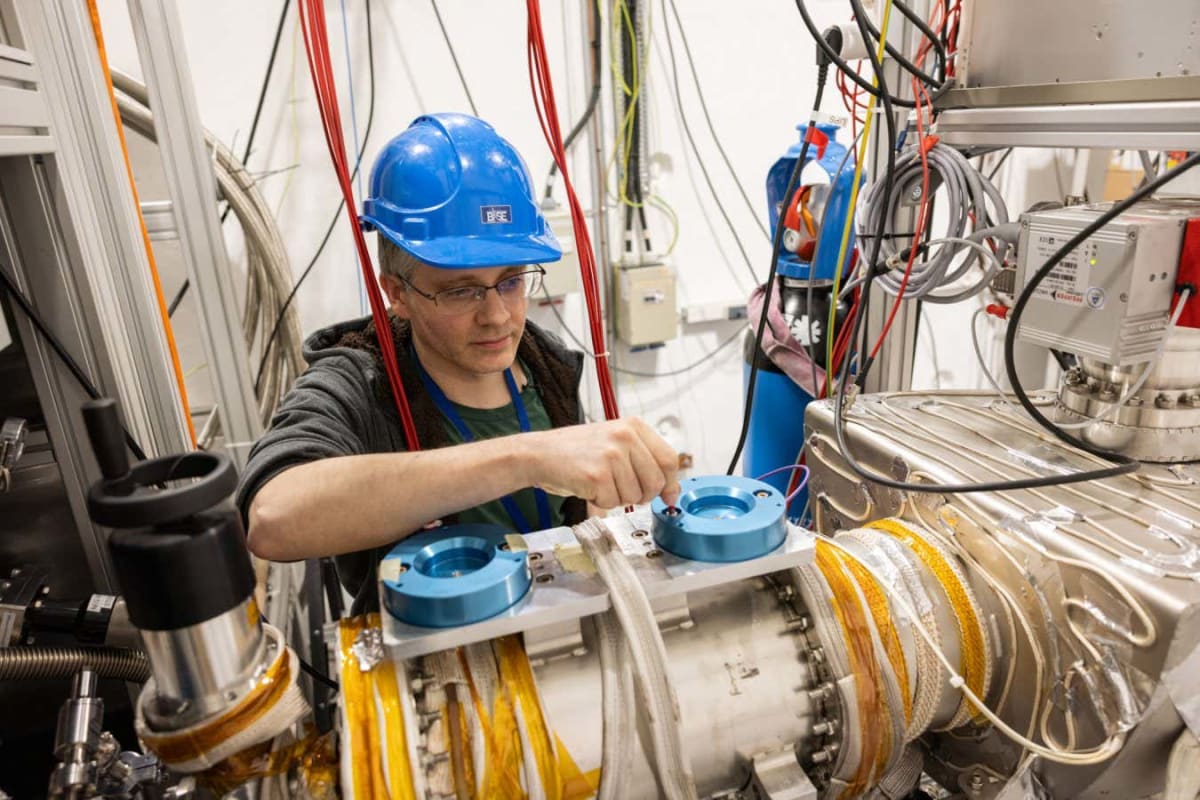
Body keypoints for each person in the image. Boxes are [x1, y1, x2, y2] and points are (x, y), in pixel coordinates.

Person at [237, 113, 681, 613]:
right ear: (398, 293)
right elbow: (273, 518)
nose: (496, 317)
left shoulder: (546, 364)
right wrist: (526, 458)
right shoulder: (355, 382)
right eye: (461, 291)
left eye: (511, 281)